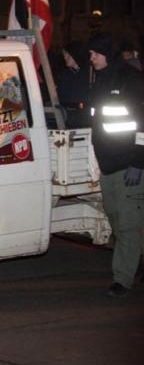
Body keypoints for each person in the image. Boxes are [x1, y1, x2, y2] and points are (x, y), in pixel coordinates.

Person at [86, 32, 144, 297]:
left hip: (129, 165)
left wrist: (138, 162)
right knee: (116, 219)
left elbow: (141, 124)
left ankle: (122, 279)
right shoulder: (101, 81)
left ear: (107, 54)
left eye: (95, 54)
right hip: (109, 165)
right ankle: (135, 263)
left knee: (128, 225)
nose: (91, 58)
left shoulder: (131, 81)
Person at [55, 41, 91, 128]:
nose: (65, 57)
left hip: (84, 119)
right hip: (65, 117)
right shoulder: (65, 74)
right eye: (64, 54)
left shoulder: (89, 73)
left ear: (76, 54)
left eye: (68, 54)